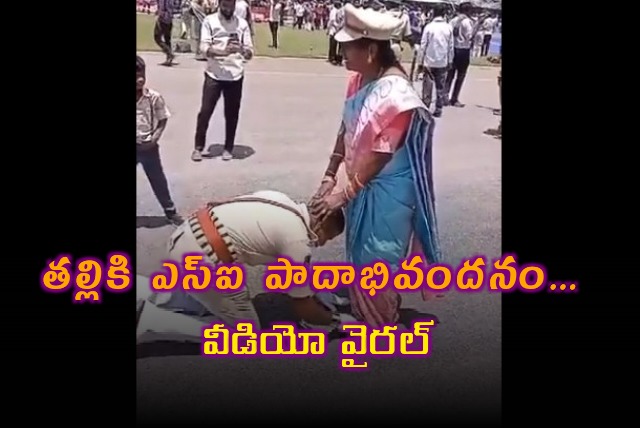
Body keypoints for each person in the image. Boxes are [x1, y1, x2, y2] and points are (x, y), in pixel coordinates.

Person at [310, 4, 441, 327]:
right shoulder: (359, 79)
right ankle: (362, 306)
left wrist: (345, 193)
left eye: (346, 47)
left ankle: (381, 324)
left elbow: (382, 152)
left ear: (370, 50)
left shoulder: (397, 96)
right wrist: (330, 175)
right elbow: (346, 126)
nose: (341, 52)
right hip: (362, 184)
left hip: (387, 192)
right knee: (359, 250)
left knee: (377, 256)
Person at [138, 190, 354, 339]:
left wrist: (312, 291)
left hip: (185, 237)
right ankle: (155, 322)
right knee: (245, 335)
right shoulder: (297, 242)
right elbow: (302, 305)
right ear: (322, 224)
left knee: (199, 297)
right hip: (203, 258)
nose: (322, 243)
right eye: (327, 237)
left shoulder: (279, 199)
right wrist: (334, 319)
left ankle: (144, 291)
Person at [192, 0, 254, 162]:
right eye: (225, 5)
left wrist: (242, 50)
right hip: (214, 74)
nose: (228, 9)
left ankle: (228, 148)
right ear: (220, 4)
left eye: (231, 6)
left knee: (232, 114)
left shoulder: (242, 24)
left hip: (235, 75)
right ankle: (198, 147)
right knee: (205, 112)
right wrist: (223, 52)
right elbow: (204, 48)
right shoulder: (210, 21)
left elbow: (250, 52)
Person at [136, 56, 183, 226]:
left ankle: (170, 212)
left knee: (158, 180)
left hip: (148, 147)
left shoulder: (153, 97)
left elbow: (163, 119)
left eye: (142, 75)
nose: (140, 80)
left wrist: (155, 138)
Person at [417, 4, 453, 117]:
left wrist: (420, 62)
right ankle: (438, 108)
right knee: (440, 87)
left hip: (429, 61)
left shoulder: (429, 27)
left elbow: (423, 45)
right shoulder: (448, 27)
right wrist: (450, 60)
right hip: (442, 61)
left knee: (427, 86)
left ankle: (425, 107)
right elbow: (450, 46)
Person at [445, 2, 473, 107]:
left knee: (450, 74)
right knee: (460, 76)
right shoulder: (467, 22)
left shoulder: (453, 20)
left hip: (453, 49)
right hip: (463, 49)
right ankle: (454, 98)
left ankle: (445, 96)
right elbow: (469, 36)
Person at [155, 0, 177, 66]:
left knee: (157, 37)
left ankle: (169, 53)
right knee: (167, 38)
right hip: (169, 18)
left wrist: (159, 15)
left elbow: (162, 6)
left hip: (163, 18)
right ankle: (169, 58)